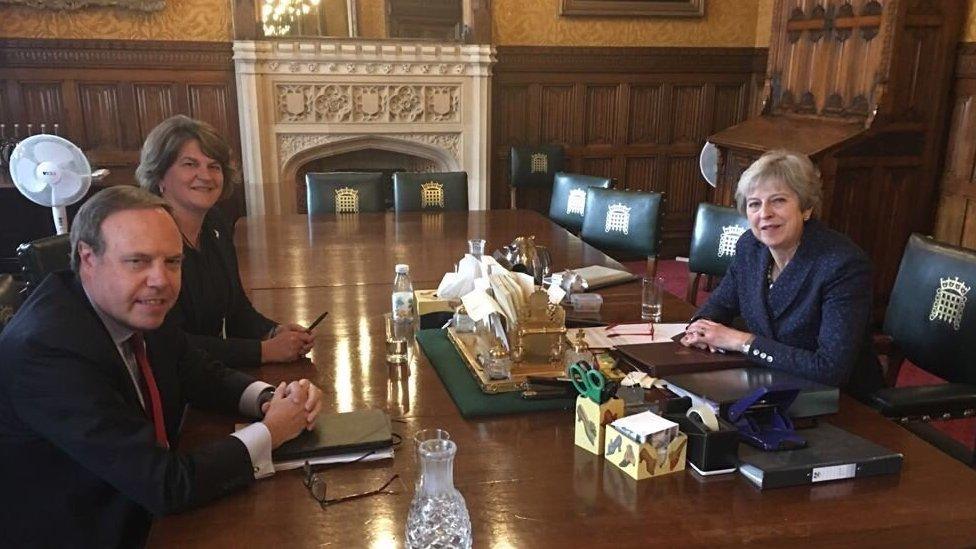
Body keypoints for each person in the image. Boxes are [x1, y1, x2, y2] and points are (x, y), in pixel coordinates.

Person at [0, 187, 324, 547]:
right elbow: (165, 484)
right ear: (88, 258)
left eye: (173, 261)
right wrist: (273, 431)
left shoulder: (135, 305)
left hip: (148, 514)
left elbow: (201, 374)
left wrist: (270, 398)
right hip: (94, 530)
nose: (161, 280)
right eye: (137, 261)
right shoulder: (46, 350)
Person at [680, 150, 883, 395]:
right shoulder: (750, 247)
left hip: (838, 402)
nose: (765, 213)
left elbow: (831, 369)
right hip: (766, 384)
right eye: (755, 204)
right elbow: (720, 304)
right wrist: (699, 330)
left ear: (806, 208)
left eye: (778, 201)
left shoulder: (842, 265)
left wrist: (741, 342)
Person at [136, 115, 313, 368]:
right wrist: (262, 351)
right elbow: (166, 342)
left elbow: (236, 309)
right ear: (160, 176)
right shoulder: (147, 238)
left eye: (214, 166)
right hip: (172, 385)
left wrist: (275, 332)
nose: (205, 176)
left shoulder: (215, 225)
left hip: (212, 375)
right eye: (190, 164)